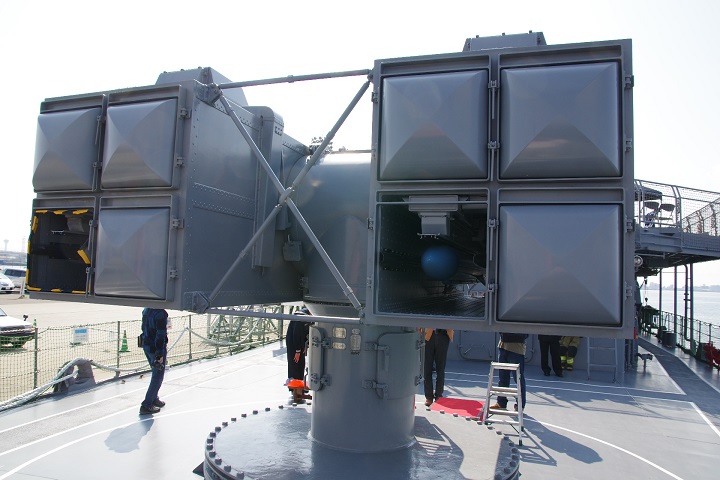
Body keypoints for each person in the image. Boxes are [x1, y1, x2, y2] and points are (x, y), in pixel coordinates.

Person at [139, 308, 168, 415]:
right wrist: (159, 353)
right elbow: (160, 334)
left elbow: (143, 327)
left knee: (155, 372)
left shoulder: (146, 310)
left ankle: (154, 398)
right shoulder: (161, 314)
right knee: (157, 376)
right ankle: (147, 404)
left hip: (146, 345)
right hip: (156, 349)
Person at [490, 332, 528, 411]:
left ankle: (520, 405)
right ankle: (501, 403)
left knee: (518, 378)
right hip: (503, 346)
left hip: (516, 349)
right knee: (502, 377)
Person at [286, 307, 312, 403]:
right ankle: (295, 388)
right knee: (295, 364)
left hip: (300, 345)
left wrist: (305, 345)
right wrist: (297, 351)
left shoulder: (307, 318)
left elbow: (307, 333)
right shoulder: (300, 318)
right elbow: (296, 335)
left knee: (301, 365)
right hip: (294, 346)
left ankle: (300, 386)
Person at [422, 327, 454, 406]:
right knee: (427, 368)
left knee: (440, 368)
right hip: (429, 335)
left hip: (443, 335)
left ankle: (439, 395)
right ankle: (429, 397)